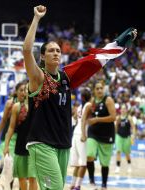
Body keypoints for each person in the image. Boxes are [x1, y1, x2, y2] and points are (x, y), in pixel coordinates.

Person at [23, 5, 137, 190]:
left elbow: (91, 63)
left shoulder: (66, 78)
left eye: (58, 50)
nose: (56, 53)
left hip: (62, 143)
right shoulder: (38, 78)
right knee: (55, 188)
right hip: (41, 143)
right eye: (51, 50)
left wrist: (118, 44)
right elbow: (27, 51)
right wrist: (36, 19)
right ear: (42, 56)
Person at [4, 82, 38, 190]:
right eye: (23, 90)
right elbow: (11, 127)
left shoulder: (38, 105)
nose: (25, 92)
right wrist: (6, 145)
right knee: (22, 178)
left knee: (33, 178)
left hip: (35, 146)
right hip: (20, 145)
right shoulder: (17, 107)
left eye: (27, 89)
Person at [87, 81, 116, 190]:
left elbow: (113, 117)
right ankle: (91, 182)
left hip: (106, 134)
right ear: (94, 90)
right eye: (97, 88)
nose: (99, 90)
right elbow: (88, 114)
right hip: (93, 133)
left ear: (104, 89)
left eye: (101, 88)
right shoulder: (92, 101)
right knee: (89, 154)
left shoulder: (108, 100)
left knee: (104, 162)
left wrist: (97, 119)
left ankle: (104, 185)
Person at [69, 88, 92, 190]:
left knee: (77, 163)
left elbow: (73, 119)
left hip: (75, 134)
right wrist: (84, 134)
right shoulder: (88, 105)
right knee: (83, 163)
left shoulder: (79, 107)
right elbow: (83, 120)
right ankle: (77, 186)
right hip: (82, 134)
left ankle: (72, 184)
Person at [114, 104, 136, 174]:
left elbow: (133, 127)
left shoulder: (129, 117)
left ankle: (129, 165)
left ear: (126, 110)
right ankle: (118, 167)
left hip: (127, 137)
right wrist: (115, 135)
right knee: (118, 151)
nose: (123, 110)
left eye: (124, 109)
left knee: (127, 153)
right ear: (120, 110)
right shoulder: (118, 118)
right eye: (122, 109)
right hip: (119, 136)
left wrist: (133, 135)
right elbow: (116, 127)